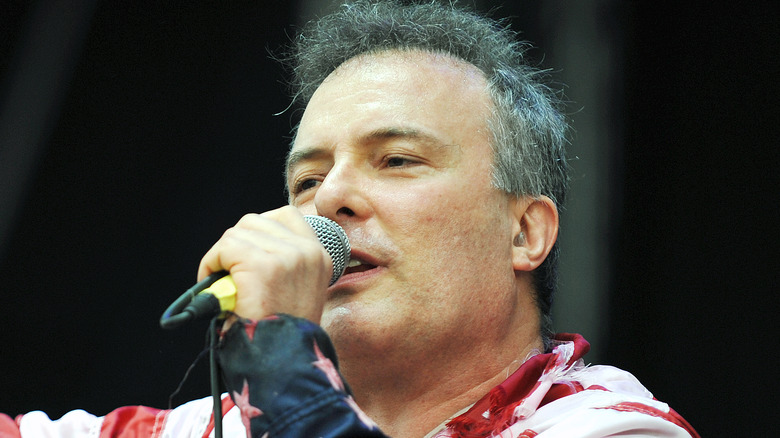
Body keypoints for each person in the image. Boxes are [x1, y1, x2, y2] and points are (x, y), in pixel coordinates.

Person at [1, 1, 699, 437]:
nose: (330, 199)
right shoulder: (217, 427)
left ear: (525, 233)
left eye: (396, 160)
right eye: (307, 178)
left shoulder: (610, 427)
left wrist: (277, 356)